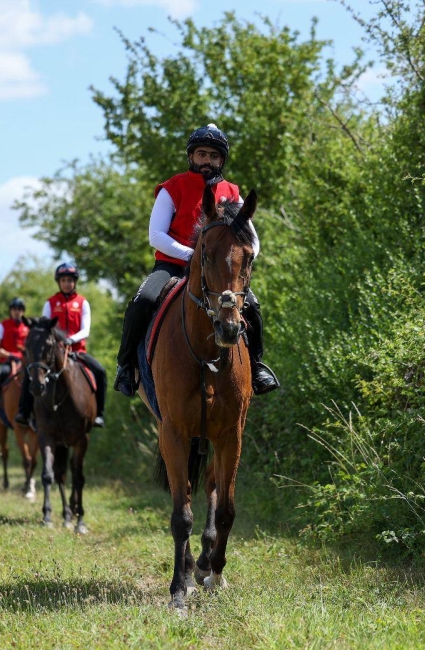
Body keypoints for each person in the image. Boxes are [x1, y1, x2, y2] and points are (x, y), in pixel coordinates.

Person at [113, 123, 280, 397]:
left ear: (221, 160)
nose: (207, 161)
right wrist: (194, 256)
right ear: (192, 156)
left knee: (252, 304)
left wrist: (243, 258)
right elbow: (156, 235)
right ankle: (126, 366)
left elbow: (251, 237)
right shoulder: (172, 188)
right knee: (142, 301)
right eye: (202, 154)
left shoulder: (232, 192)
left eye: (214, 156)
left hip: (219, 273)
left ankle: (257, 365)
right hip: (173, 266)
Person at [16, 263, 107, 428]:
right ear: (59, 282)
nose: (67, 283)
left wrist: (70, 340)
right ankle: (25, 411)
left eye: (70, 280)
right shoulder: (50, 303)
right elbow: (44, 329)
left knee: (100, 371)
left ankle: (99, 414)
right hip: (53, 353)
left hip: (77, 352)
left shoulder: (82, 303)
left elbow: (85, 330)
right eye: (64, 280)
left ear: (75, 282)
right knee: (31, 373)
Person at [0, 297, 30, 411]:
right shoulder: (2, 326)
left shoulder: (28, 327)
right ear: (10, 311)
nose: (17, 312)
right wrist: (9, 355)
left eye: (20, 309)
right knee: (2, 373)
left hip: (24, 360)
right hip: (8, 360)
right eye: (14, 309)